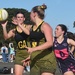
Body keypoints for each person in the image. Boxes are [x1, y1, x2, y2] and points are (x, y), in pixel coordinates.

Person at [22, 4, 57, 75]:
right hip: (34, 61)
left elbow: (50, 43)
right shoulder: (32, 28)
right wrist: (30, 56)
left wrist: (33, 50)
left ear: (34, 14)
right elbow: (35, 44)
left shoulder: (45, 26)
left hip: (46, 61)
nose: (30, 16)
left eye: (30, 13)